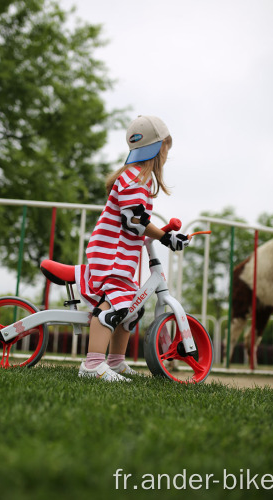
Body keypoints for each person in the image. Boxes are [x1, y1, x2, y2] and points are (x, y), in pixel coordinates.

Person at [75, 115, 191, 381]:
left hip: (120, 254)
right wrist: (165, 237)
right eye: (166, 149)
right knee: (117, 304)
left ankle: (115, 362)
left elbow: (135, 221)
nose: (166, 156)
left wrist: (164, 235)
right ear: (159, 148)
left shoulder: (136, 179)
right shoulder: (134, 180)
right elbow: (134, 221)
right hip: (111, 254)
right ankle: (92, 364)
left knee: (133, 308)